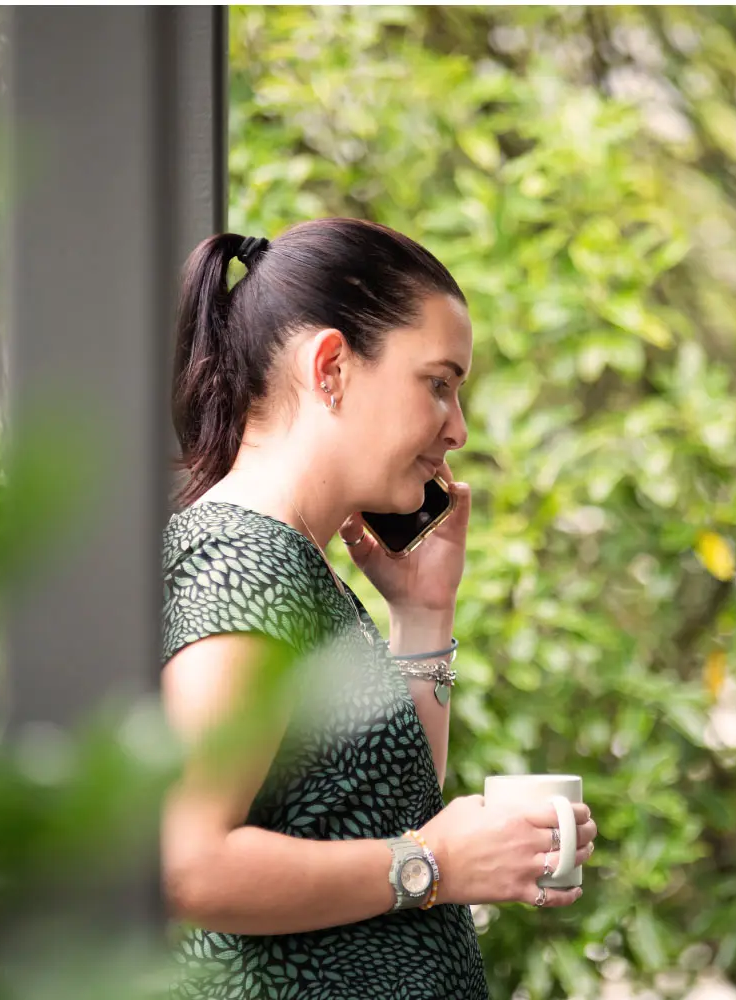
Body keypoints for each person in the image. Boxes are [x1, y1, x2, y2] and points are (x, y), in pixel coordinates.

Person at [160, 218, 598, 1000]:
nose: (457, 429)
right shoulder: (242, 559)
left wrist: (424, 613)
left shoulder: (292, 559)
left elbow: (382, 808)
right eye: (438, 383)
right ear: (331, 366)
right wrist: (436, 865)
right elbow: (190, 865)